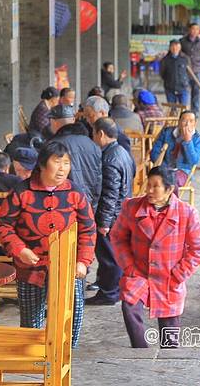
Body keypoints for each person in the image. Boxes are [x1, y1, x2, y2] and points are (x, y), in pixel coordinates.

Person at [0, 140, 96, 348]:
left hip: (68, 267)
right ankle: (33, 356)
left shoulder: (75, 193)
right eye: (57, 162)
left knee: (73, 313)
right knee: (31, 320)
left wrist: (83, 261)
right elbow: (4, 225)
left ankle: (65, 355)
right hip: (31, 267)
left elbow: (88, 229)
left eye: (66, 163)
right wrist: (20, 250)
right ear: (42, 164)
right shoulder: (22, 192)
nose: (62, 168)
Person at [111, 167, 200, 348]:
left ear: (169, 189)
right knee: (129, 305)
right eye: (148, 184)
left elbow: (199, 248)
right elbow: (117, 237)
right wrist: (129, 266)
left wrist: (178, 274)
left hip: (169, 277)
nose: (149, 190)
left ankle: (168, 358)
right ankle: (140, 351)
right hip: (139, 272)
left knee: (169, 332)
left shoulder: (186, 213)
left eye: (155, 186)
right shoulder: (132, 207)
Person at [87, 118, 135, 305]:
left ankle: (109, 293)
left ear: (100, 134)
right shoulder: (122, 152)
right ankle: (111, 289)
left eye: (93, 134)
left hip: (112, 216)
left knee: (109, 256)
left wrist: (104, 222)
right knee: (113, 255)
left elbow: (109, 192)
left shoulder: (109, 158)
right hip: (121, 212)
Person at [49, 104, 102, 207]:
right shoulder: (92, 144)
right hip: (87, 203)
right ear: (73, 119)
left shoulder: (54, 145)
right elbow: (98, 180)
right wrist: (93, 206)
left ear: (53, 121)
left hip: (63, 205)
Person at [150, 110, 200, 189]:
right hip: (163, 168)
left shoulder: (199, 138)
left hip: (183, 171)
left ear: (195, 124)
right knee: (156, 181)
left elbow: (194, 161)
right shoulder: (167, 132)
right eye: (184, 121)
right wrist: (164, 168)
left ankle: (169, 197)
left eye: (191, 121)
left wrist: (188, 142)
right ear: (179, 122)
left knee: (170, 182)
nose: (187, 124)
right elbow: (154, 153)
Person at [82, 95, 133, 160]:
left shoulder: (117, 133)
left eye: (90, 116)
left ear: (103, 113)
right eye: (85, 117)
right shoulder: (86, 128)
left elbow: (126, 160)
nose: (87, 120)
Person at [180, 23, 200, 116]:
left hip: (197, 70)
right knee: (185, 90)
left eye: (197, 29)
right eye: (193, 29)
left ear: (199, 31)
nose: (194, 31)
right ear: (189, 30)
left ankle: (195, 111)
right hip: (185, 70)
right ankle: (184, 111)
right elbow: (179, 54)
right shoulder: (182, 41)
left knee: (196, 91)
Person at [160, 40, 190, 106]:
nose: (175, 49)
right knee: (172, 108)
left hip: (183, 87)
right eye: (173, 47)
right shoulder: (165, 60)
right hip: (170, 87)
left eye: (177, 47)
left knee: (183, 108)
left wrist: (185, 81)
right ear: (170, 48)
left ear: (180, 48)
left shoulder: (185, 59)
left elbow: (189, 72)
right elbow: (162, 74)